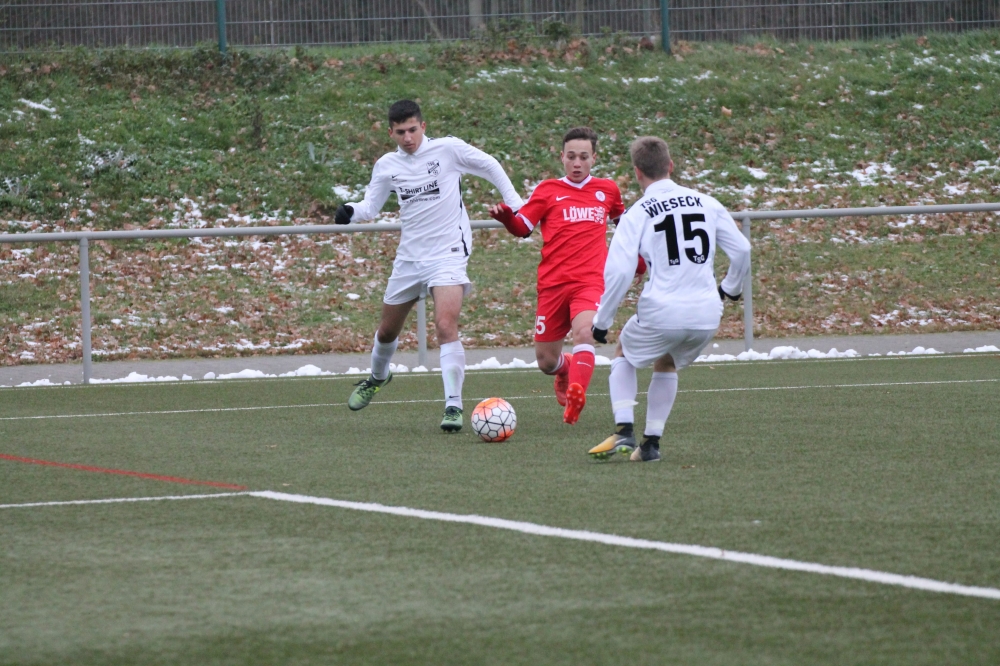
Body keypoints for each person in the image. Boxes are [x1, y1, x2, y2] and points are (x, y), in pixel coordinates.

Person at [335, 99, 524, 432]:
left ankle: (453, 405)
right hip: (410, 257)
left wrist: (517, 205)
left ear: (423, 126)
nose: (408, 138)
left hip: (448, 252)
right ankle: (377, 377)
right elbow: (370, 206)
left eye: (413, 130)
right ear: (390, 133)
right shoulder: (387, 165)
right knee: (387, 331)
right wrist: (350, 211)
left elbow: (490, 165)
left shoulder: (447, 150)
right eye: (400, 132)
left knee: (445, 325)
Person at [587, 136, 750, 462]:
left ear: (637, 172)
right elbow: (743, 249)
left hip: (663, 310)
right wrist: (730, 288)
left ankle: (623, 430)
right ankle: (650, 444)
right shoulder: (707, 202)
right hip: (706, 314)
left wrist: (602, 321)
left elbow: (619, 272)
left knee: (624, 353)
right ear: (670, 166)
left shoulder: (637, 212)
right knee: (667, 362)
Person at [487, 127, 627, 425]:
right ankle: (565, 369)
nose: (577, 163)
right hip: (552, 286)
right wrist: (507, 218)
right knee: (546, 361)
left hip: (590, 282)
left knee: (585, 332)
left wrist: (638, 262)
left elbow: (628, 228)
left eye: (584, 157)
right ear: (562, 157)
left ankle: (577, 394)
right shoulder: (547, 190)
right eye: (571, 156)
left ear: (594, 158)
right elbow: (523, 228)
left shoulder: (607, 190)